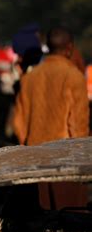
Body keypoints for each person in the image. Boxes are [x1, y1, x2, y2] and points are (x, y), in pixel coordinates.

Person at [13, 26, 89, 210]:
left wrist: (29, 150)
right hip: (65, 162)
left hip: (35, 161)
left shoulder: (29, 78)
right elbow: (78, 127)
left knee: (40, 218)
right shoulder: (74, 76)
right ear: (70, 48)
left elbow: (18, 123)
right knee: (68, 221)